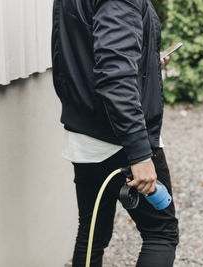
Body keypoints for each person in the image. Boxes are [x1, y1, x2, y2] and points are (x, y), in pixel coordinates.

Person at [51, 0, 179, 266]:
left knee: (91, 237)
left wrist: (145, 59)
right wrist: (141, 155)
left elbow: (88, 50)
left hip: (85, 133)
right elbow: (115, 78)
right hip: (121, 138)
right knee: (160, 234)